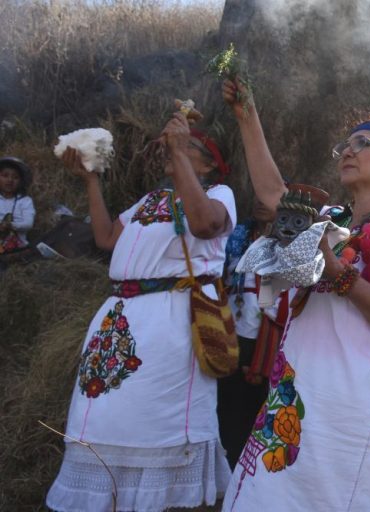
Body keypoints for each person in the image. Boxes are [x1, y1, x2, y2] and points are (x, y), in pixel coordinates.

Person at [220, 78, 370, 511]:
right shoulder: (325, 223)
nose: (349, 151)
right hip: (297, 392)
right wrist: (247, 113)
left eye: (364, 143)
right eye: (347, 144)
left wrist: (342, 277)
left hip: (354, 405)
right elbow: (271, 194)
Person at [46, 114, 236, 511]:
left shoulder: (219, 193)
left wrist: (178, 151)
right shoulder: (151, 200)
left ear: (209, 164)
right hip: (118, 321)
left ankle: (161, 502)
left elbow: (203, 225)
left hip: (170, 324)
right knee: (101, 418)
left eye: (187, 148)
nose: (173, 151)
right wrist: (90, 179)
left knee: (158, 426)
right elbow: (106, 239)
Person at [217, 201, 277, 469]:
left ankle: (239, 467)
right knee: (224, 400)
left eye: (270, 199)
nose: (262, 203)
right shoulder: (237, 238)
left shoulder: (287, 246)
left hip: (262, 337)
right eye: (258, 198)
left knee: (250, 404)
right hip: (227, 329)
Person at [0, 156, 35, 253]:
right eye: (5, 175)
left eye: (15, 177)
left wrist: (11, 225)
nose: (10, 180)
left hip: (18, 248)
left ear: (21, 181)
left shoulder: (25, 201)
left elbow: (28, 224)